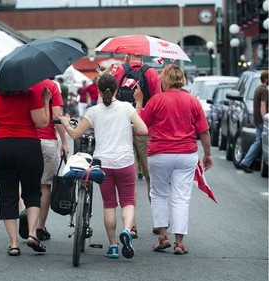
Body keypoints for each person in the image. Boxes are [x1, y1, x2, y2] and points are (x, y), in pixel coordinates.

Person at [58, 73, 148, 259]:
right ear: (116, 90)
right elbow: (143, 130)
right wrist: (132, 117)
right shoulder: (125, 107)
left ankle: (113, 246)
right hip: (125, 162)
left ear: (98, 91)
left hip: (103, 164)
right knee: (128, 202)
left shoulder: (94, 111)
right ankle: (126, 230)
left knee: (109, 204)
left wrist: (66, 123)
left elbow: (75, 135)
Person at [134, 64, 213, 255]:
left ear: (166, 80)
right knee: (181, 198)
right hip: (186, 154)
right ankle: (179, 243)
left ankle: (162, 236)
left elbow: (141, 127)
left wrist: (138, 102)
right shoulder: (193, 101)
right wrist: (207, 154)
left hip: (159, 154)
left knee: (159, 194)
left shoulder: (156, 101)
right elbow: (204, 131)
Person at [0, 81, 52, 256]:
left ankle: (14, 244)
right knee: (32, 192)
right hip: (28, 147)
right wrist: (46, 100)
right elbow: (43, 123)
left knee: (8, 196)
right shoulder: (30, 96)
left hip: (2, 147)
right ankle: (31, 233)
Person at [111, 53, 162, 237]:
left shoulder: (117, 71)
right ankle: (159, 222)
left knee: (129, 180)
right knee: (152, 179)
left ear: (127, 54)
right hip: (146, 130)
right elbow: (157, 102)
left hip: (121, 130)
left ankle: (131, 226)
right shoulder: (152, 73)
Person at [20, 79, 69, 241]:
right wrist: (64, 141)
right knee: (45, 185)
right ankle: (39, 227)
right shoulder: (52, 86)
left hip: (26, 140)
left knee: (26, 183)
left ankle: (26, 217)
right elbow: (57, 116)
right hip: (47, 141)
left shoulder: (24, 84)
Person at [239, 70, 269, 173]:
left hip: (257, 119)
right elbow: (263, 106)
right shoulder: (264, 90)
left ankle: (246, 162)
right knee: (259, 142)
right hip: (261, 120)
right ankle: (246, 162)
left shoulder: (258, 88)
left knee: (259, 141)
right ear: (266, 79)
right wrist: (265, 119)